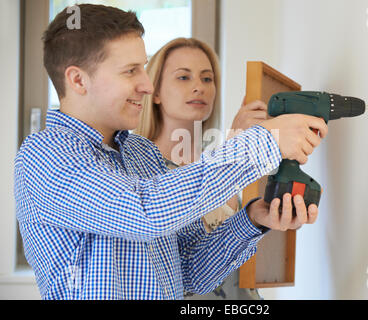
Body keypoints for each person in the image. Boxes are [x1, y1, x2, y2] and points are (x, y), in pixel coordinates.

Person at [14, 4, 328, 300]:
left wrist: (252, 219)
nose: (147, 86)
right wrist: (263, 143)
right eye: (130, 71)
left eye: (144, 69)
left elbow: (191, 270)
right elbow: (145, 211)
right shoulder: (46, 155)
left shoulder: (143, 154)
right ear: (78, 79)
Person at [135, 37, 272, 299]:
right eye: (183, 77)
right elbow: (183, 267)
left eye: (207, 79)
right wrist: (234, 147)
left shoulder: (215, 164)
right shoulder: (142, 171)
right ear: (155, 91)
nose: (199, 87)